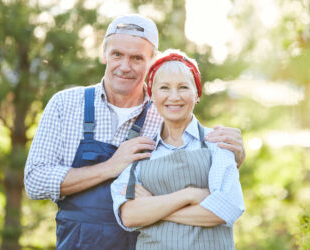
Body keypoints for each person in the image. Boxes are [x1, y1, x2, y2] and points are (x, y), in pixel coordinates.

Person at [24, 14, 245, 250]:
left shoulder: (165, 110)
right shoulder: (66, 105)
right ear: (104, 54)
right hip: (78, 243)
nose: (125, 66)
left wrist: (236, 155)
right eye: (117, 54)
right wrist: (110, 167)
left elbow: (201, 163)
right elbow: (35, 181)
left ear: (152, 62)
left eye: (137, 58)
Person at [111, 50, 245, 250]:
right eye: (164, 87)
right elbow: (129, 215)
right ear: (153, 96)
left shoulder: (217, 143)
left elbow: (226, 209)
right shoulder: (139, 151)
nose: (174, 97)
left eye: (183, 87)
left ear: (196, 94)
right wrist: (189, 195)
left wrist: (153, 207)